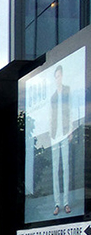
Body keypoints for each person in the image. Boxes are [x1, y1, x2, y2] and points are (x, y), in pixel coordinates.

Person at [50, 65, 73, 216]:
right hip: (55, 135)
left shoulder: (67, 91)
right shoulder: (53, 97)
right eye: (56, 77)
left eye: (59, 76)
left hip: (64, 133)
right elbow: (51, 116)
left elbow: (70, 110)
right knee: (55, 170)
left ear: (62, 76)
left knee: (65, 168)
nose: (58, 79)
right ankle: (57, 203)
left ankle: (66, 202)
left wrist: (70, 130)